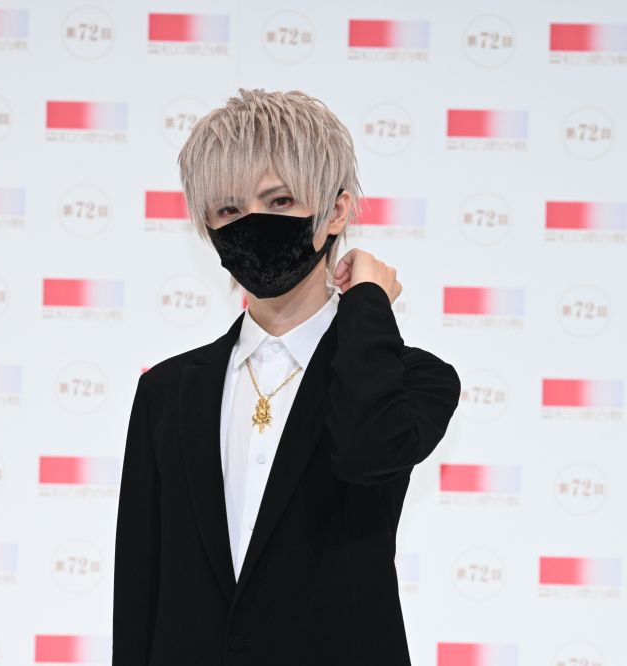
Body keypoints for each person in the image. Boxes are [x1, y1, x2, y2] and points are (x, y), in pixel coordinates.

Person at [112, 88, 461, 665]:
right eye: (228, 210)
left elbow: (366, 451)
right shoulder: (167, 392)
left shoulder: (410, 377)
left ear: (336, 212)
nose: (252, 223)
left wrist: (367, 302)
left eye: (279, 201)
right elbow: (139, 587)